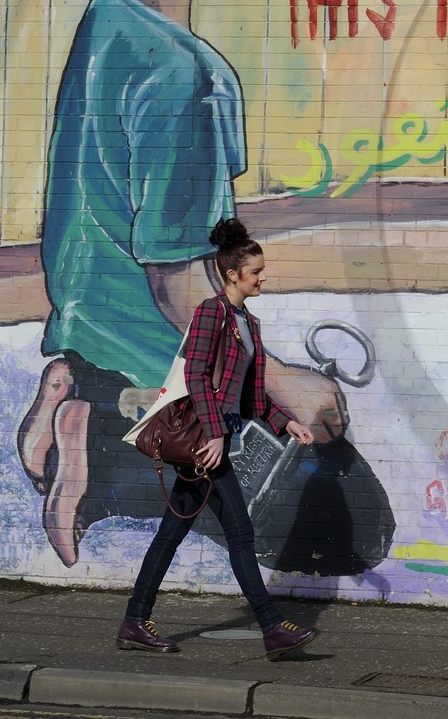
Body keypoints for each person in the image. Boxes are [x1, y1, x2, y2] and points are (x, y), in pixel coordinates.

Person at [19, 0, 351, 567]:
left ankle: (80, 392)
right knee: (347, 528)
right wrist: (274, 379)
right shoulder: (193, 82)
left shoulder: (108, 15)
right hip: (155, 349)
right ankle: (102, 455)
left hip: (86, 316)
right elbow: (175, 283)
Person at [117, 218, 320, 659]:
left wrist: (286, 423)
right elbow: (194, 373)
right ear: (233, 275)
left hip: (213, 442)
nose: (264, 277)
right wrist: (214, 435)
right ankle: (271, 627)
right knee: (241, 535)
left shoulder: (248, 322)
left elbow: (248, 393)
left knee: (171, 534)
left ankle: (135, 619)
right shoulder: (212, 312)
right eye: (256, 272)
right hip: (205, 446)